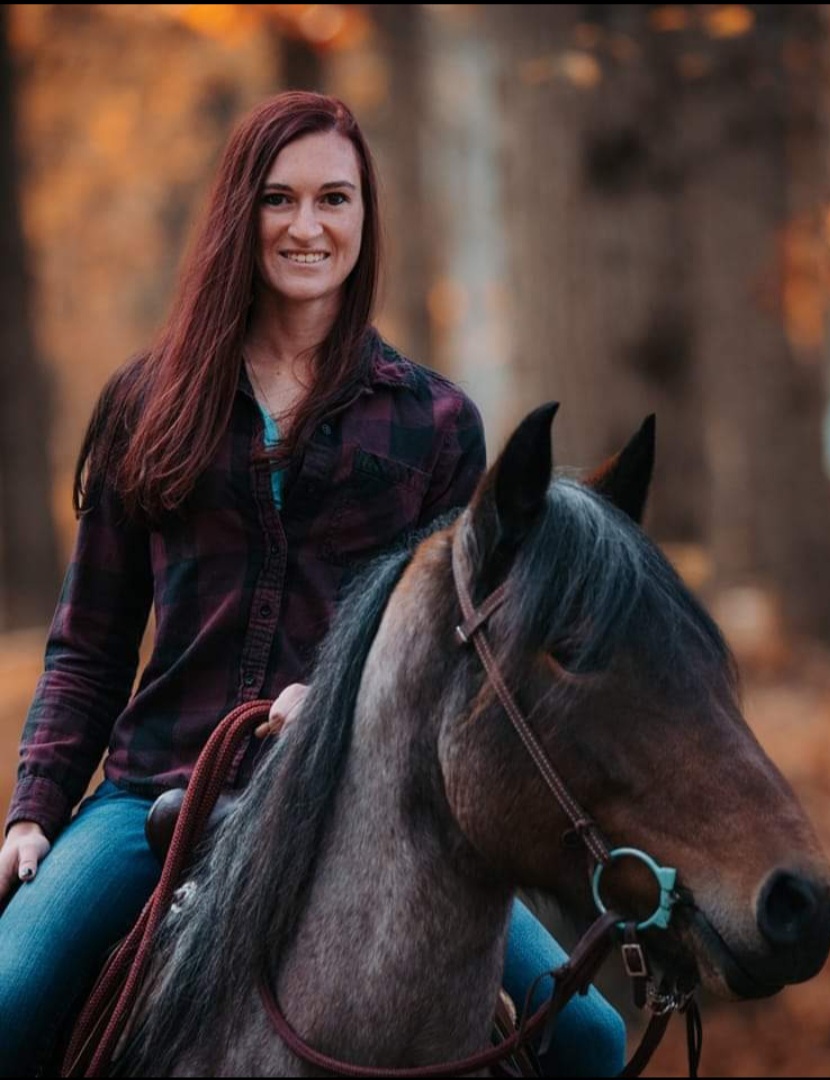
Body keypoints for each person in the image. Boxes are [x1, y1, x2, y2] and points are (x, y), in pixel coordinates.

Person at [0, 91, 624, 1076]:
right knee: (9, 995)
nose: (307, 227)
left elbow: (454, 652)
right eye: (280, 200)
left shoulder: (435, 423)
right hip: (156, 792)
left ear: (364, 217)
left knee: (589, 1037)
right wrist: (35, 809)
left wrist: (335, 695)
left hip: (363, 808)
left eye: (334, 198)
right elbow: (91, 644)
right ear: (239, 216)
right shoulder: (146, 404)